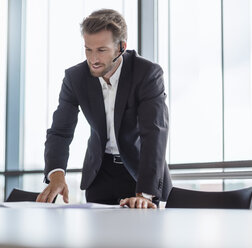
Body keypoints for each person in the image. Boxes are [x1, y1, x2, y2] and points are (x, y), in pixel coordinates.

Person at [36, 9, 172, 208]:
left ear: (121, 47)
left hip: (139, 173)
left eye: (101, 50)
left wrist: (145, 194)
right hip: (99, 175)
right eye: (88, 49)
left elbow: (154, 133)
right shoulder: (75, 78)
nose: (93, 59)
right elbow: (60, 131)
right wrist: (57, 175)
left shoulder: (147, 74)